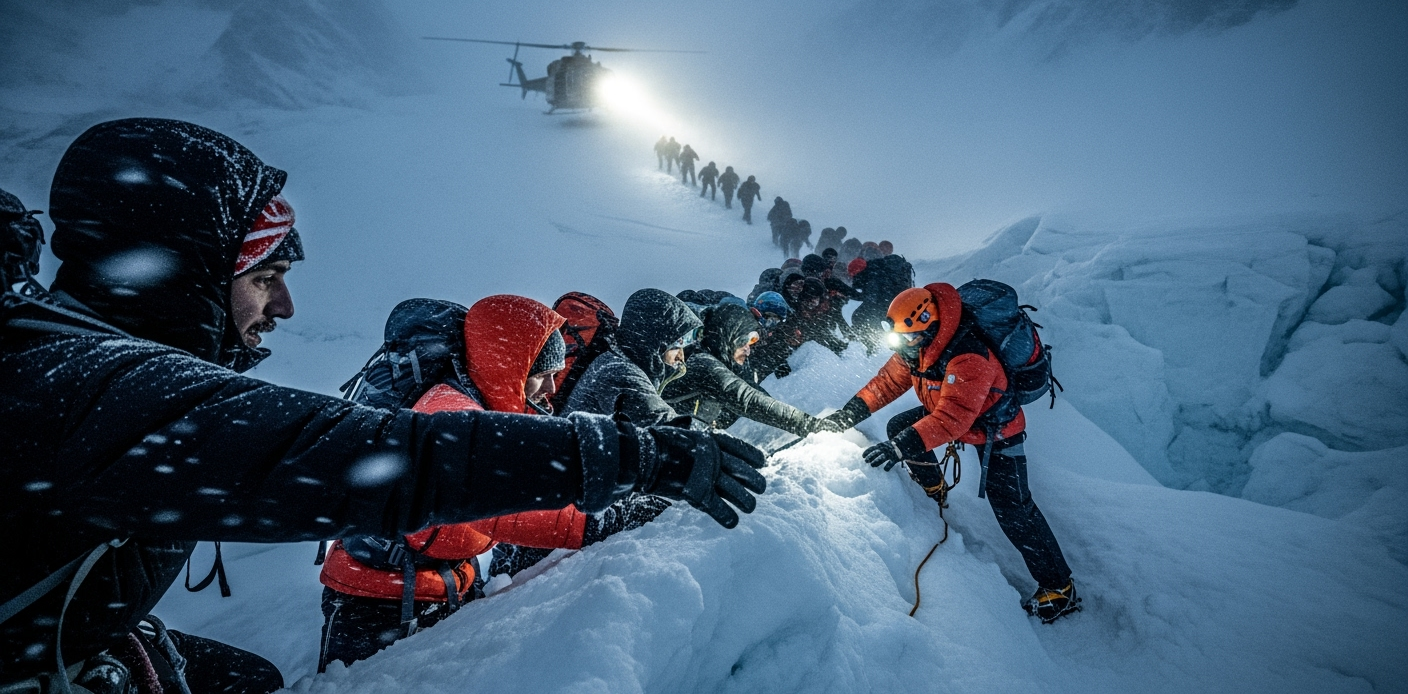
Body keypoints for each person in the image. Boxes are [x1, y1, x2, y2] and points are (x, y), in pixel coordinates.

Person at [0, 119, 766, 692]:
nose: (286, 305)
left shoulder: (66, 361)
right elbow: (367, 461)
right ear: (186, 271)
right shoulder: (83, 387)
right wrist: (628, 457)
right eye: (265, 277)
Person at [318, 295, 671, 670]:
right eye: (543, 374)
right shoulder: (448, 411)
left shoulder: (480, 403)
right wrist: (607, 518)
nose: (552, 388)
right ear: (513, 367)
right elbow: (504, 502)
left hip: (439, 587)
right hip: (378, 603)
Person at [821, 285, 1079, 623]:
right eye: (899, 339)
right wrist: (848, 414)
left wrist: (900, 448)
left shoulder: (969, 356)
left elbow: (952, 420)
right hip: (960, 417)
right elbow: (885, 383)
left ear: (928, 327)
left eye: (908, 339)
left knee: (1014, 508)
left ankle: (1059, 589)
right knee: (901, 427)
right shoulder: (916, 346)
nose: (903, 347)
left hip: (997, 429)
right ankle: (934, 491)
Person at [663, 302, 823, 438]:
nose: (748, 350)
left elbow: (752, 389)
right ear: (728, 337)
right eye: (744, 342)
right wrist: (809, 424)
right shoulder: (700, 364)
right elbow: (749, 399)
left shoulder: (722, 358)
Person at [566, 288, 702, 426]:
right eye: (676, 345)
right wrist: (713, 437)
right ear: (654, 339)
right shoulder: (619, 372)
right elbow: (665, 424)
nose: (681, 356)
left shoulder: (617, 363)